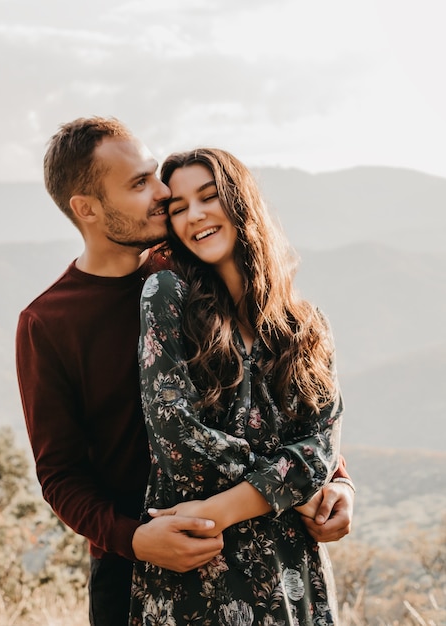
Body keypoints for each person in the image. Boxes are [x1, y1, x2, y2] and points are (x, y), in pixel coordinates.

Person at [15, 117, 355, 626]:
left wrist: (336, 483)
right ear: (86, 209)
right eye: (139, 184)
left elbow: (268, 394)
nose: (162, 194)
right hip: (137, 564)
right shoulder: (48, 322)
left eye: (154, 175)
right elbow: (60, 475)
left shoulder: (193, 273)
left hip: (256, 543)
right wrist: (134, 539)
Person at [130, 148, 348, 625]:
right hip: (200, 565)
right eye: (179, 206)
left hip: (294, 573)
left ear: (241, 201)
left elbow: (321, 446)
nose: (195, 215)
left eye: (209, 197)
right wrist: (290, 487)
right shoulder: (167, 296)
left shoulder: (306, 326)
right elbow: (176, 433)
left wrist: (227, 505)